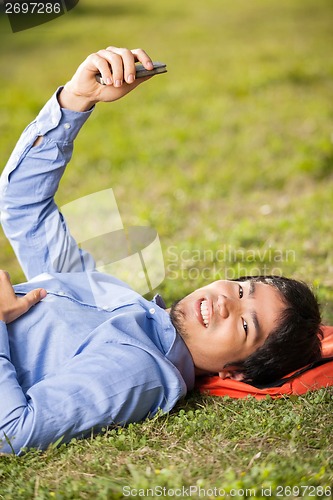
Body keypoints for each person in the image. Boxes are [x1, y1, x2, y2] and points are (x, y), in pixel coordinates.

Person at [0, 45, 322, 455]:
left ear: (235, 373)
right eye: (243, 291)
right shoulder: (117, 299)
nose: (227, 303)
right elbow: (25, 209)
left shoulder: (140, 370)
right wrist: (77, 101)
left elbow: (14, 432)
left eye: (245, 326)